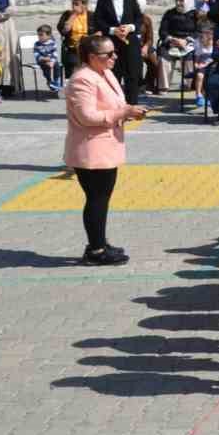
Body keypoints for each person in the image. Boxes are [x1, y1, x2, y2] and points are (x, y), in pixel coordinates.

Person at [65, 34, 149, 265]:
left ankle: (99, 241)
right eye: (108, 54)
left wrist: (130, 109)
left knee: (102, 198)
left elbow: (115, 104)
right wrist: (122, 113)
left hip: (106, 145)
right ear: (92, 57)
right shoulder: (82, 79)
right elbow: (86, 116)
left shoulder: (105, 73)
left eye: (114, 52)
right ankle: (95, 250)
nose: (114, 57)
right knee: (96, 199)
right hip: (90, 149)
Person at [93, 0, 145, 106]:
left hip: (130, 42)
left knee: (132, 75)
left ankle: (132, 106)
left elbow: (139, 18)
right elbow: (98, 20)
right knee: (112, 75)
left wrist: (130, 28)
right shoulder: (103, 0)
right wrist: (112, 30)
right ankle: (113, 105)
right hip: (111, 43)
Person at [157, 0, 200, 93]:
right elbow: (162, 31)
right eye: (177, 0)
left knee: (190, 57)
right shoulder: (169, 13)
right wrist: (171, 39)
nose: (178, 3)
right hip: (171, 42)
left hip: (188, 43)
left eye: (181, 1)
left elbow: (198, 31)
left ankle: (188, 85)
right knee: (164, 57)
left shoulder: (195, 15)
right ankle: (164, 86)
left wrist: (186, 40)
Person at [32, 23, 63, 93]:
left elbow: (54, 53)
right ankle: (49, 81)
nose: (39, 37)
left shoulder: (52, 42)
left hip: (51, 60)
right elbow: (36, 54)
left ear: (48, 35)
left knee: (57, 66)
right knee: (46, 67)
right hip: (42, 60)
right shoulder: (37, 44)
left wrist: (52, 61)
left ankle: (56, 81)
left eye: (41, 35)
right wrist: (43, 58)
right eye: (38, 35)